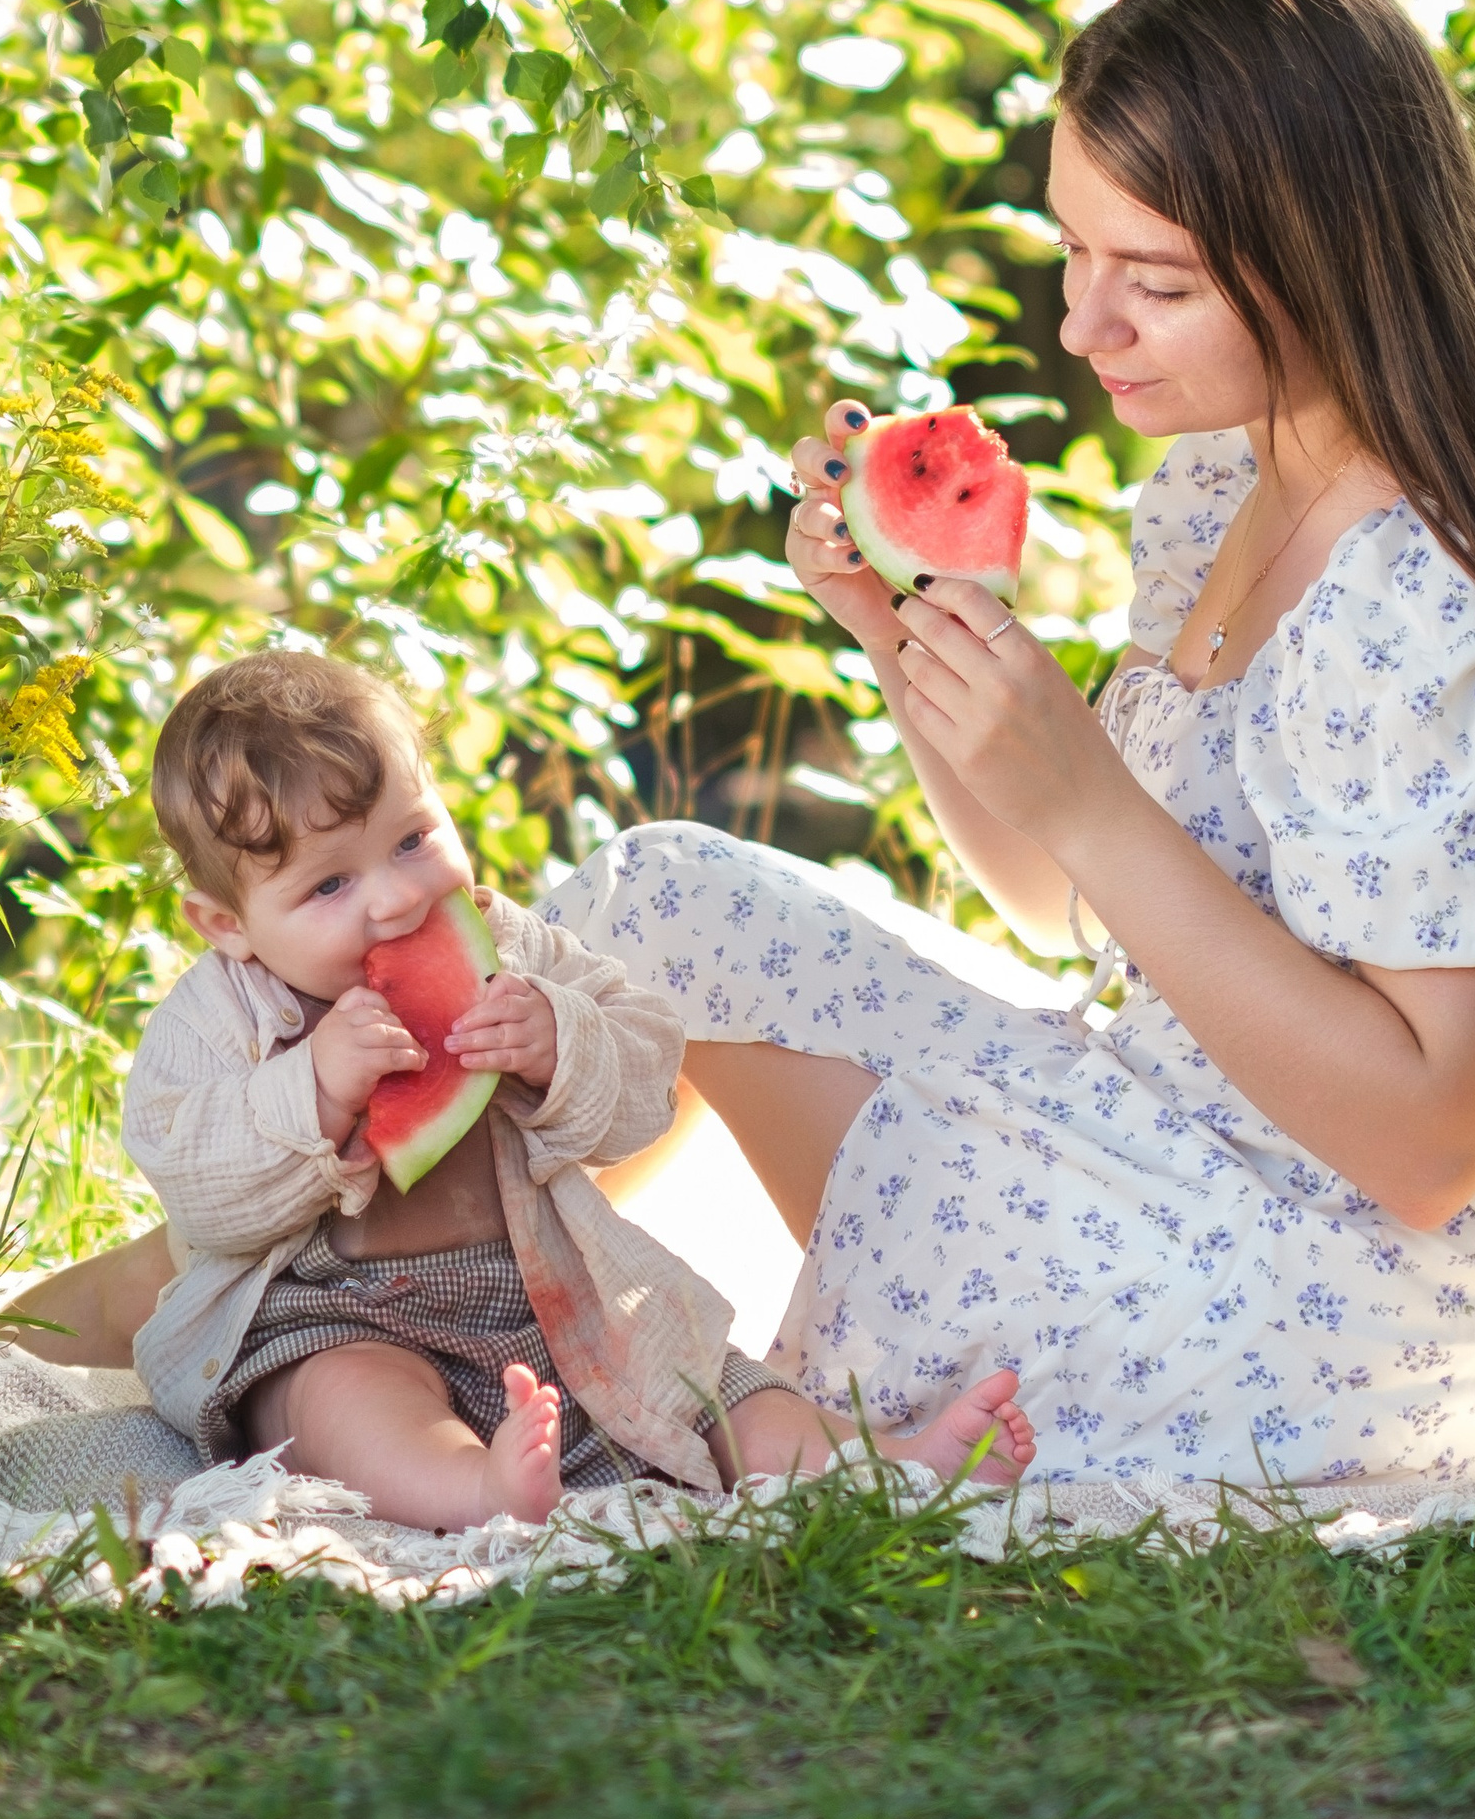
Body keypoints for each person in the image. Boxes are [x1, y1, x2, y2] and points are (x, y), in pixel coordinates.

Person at [532, 0, 1475, 1485]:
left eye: (1153, 282)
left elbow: (1433, 1146)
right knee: (652, 903)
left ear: (1331, 257)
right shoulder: (1233, 475)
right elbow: (1051, 901)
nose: (1086, 329)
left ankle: (359, 1330)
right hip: (1174, 1138)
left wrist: (1086, 791)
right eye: (1075, 254)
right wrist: (909, 633)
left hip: (1343, 1319)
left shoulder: (1441, 604)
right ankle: (360, 1295)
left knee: (711, 1114)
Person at [116, 648, 1033, 1526]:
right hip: (331, 1314)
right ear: (225, 923)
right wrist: (311, 1092)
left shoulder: (508, 946)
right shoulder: (213, 1018)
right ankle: (473, 1489)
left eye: (413, 839)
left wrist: (563, 1040)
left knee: (715, 1387)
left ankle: (884, 1463)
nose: (395, 899)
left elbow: (645, 1089)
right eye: (329, 886)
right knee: (338, 1400)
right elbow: (197, 1189)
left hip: (551, 1297)